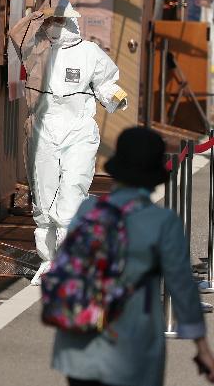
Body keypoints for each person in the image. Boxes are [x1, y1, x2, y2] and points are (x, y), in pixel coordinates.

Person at [51, 127, 214, 386]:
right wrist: (202, 348)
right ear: (155, 177)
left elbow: (64, 262)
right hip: (132, 349)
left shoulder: (88, 210)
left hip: (79, 345)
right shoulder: (162, 222)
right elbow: (181, 287)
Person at [9, 0, 129, 285]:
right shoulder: (36, 49)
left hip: (78, 129)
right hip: (43, 127)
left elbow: (105, 83)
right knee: (44, 195)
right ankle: (49, 260)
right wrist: (41, 13)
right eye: (52, 20)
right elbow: (15, 34)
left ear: (73, 21)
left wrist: (115, 97)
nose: (57, 25)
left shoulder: (90, 52)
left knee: (73, 190)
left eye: (61, 19)